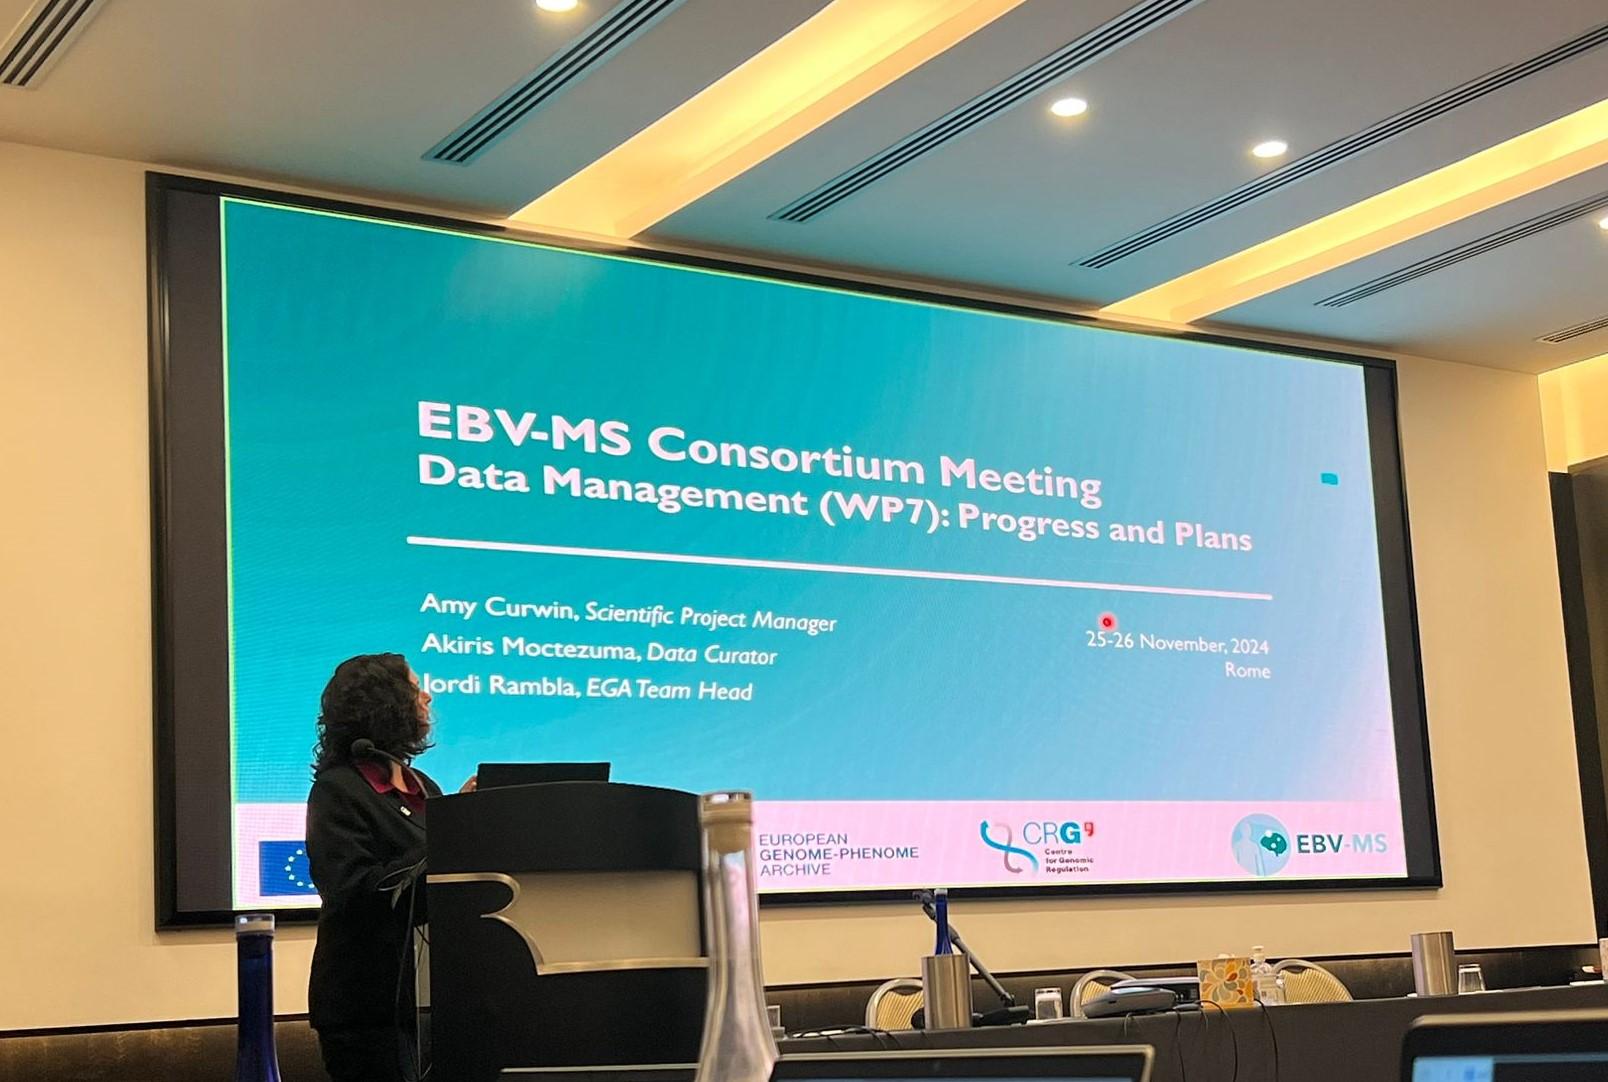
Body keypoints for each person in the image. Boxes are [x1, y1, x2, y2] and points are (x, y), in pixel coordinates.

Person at [305, 653, 472, 1082]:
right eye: (415, 688)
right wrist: (452, 831)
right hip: (365, 1009)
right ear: (386, 703)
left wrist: (469, 824)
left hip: (431, 1001)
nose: (428, 697)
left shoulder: (424, 787)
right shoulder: (338, 790)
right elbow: (353, 891)